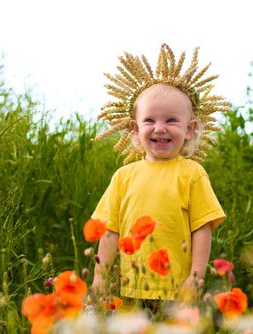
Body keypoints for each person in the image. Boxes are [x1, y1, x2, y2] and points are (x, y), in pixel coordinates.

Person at [90, 44, 231, 309]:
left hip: (177, 290)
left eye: (171, 120)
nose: (159, 128)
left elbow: (202, 229)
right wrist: (100, 277)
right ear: (134, 128)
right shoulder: (124, 177)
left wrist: (196, 276)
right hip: (130, 286)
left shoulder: (192, 174)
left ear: (190, 129)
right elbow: (109, 231)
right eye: (150, 120)